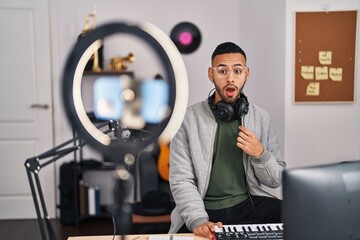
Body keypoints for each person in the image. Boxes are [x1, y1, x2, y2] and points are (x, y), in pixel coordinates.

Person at [168, 42, 285, 239]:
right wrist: (197, 219)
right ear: (210, 74)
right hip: (203, 209)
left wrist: (260, 154)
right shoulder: (186, 119)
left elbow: (276, 180)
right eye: (222, 71)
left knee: (293, 215)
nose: (230, 78)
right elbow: (181, 179)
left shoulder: (262, 118)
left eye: (237, 71)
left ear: (246, 74)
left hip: (247, 206)